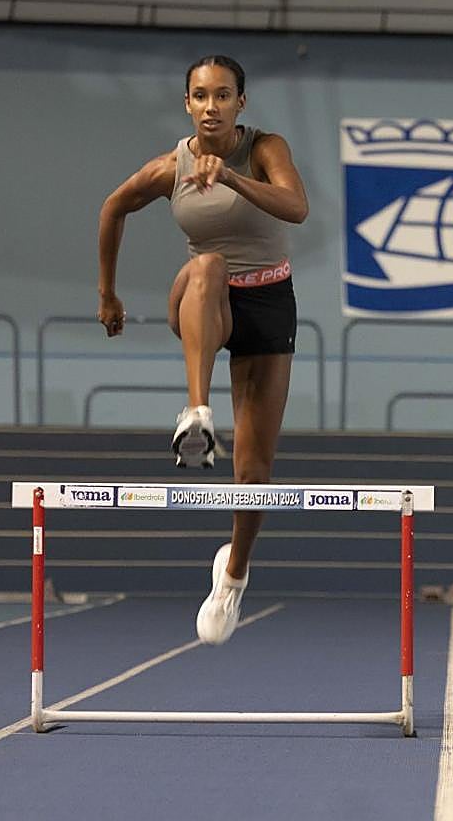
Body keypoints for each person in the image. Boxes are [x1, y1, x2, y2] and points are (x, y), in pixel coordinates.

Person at [96, 55, 309, 645]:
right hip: (202, 302)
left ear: (242, 103)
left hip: (268, 304)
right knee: (208, 263)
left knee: (254, 469)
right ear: (187, 104)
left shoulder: (266, 148)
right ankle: (196, 411)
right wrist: (108, 294)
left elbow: (297, 207)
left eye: (222, 95)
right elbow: (113, 207)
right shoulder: (170, 166)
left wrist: (233, 177)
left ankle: (233, 573)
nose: (210, 106)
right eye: (199, 96)